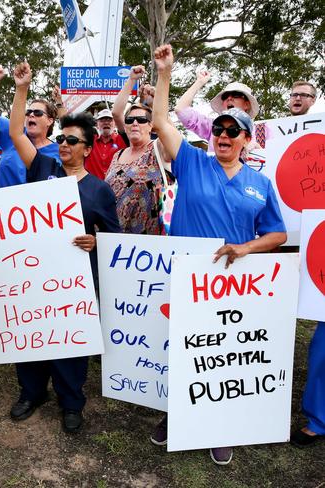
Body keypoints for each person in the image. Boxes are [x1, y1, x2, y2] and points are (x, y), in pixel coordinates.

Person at [152, 44, 287, 465]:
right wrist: (165, 73)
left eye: (233, 131)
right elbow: (159, 120)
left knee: (223, 355)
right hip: (188, 278)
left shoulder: (260, 184)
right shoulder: (192, 161)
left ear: (247, 139)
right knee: (181, 346)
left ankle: (219, 425)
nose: (224, 136)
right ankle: (176, 415)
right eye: (219, 130)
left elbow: (278, 234)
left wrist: (246, 247)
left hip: (234, 285)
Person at [7, 62, 121, 433]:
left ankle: (71, 402)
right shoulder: (43, 169)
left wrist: (97, 240)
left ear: (87, 148)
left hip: (76, 284)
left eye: (72, 141)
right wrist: (22, 89)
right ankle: (31, 393)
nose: (64, 145)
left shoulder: (100, 190)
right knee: (32, 337)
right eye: (61, 140)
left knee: (71, 347)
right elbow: (15, 132)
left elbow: (115, 237)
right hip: (35, 276)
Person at [288, 79, 322, 448]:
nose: (297, 99)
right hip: (294, 242)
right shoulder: (276, 135)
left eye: (304, 95)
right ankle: (316, 416)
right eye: (294, 94)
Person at [0, 64, 60, 187]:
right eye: (28, 112)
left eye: (38, 113)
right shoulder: (11, 133)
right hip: (3, 205)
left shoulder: (60, 151)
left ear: (50, 121)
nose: (31, 115)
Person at [106, 80, 168, 235]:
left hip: (148, 239)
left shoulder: (158, 149)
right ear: (124, 126)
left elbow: (167, 128)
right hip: (113, 233)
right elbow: (115, 113)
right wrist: (132, 78)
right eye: (129, 120)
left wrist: (155, 101)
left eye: (141, 120)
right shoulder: (117, 155)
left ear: (151, 125)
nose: (135, 123)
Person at [174, 72, 263, 152]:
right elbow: (181, 110)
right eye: (225, 96)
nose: (229, 98)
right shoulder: (211, 126)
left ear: (246, 105)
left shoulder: (260, 132)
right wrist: (199, 82)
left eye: (236, 95)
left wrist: (257, 151)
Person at [84, 108, 127, 180]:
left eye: (109, 120)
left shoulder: (124, 139)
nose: (106, 122)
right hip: (92, 188)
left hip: (116, 188)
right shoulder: (89, 140)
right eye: (102, 120)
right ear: (97, 125)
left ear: (115, 124)